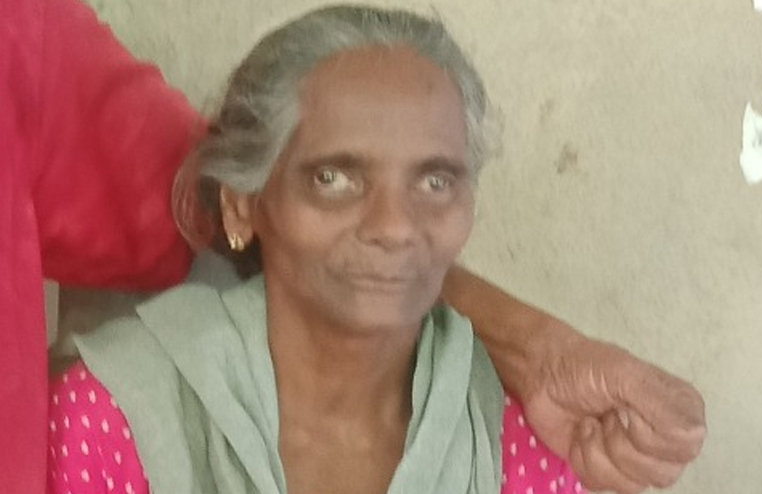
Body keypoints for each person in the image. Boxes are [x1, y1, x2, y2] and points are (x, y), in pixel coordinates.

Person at [2, 0, 704, 492]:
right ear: (246, 204)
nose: (394, 225)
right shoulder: (117, 422)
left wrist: (539, 350)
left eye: (436, 181)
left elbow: (190, 189)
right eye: (333, 178)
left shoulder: (510, 443)